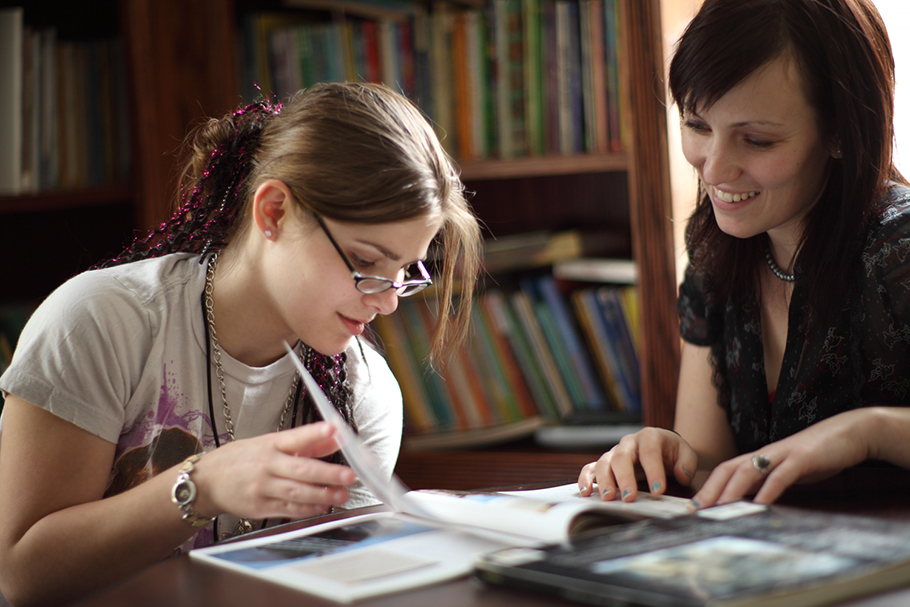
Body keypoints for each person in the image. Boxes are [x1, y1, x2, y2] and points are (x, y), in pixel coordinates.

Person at [0, 81, 481, 606]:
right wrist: (199, 486)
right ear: (272, 211)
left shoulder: (365, 393)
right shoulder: (100, 322)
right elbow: (22, 577)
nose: (388, 301)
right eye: (365, 262)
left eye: (405, 272)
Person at [579, 0, 910, 510]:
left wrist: (868, 432)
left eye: (755, 140)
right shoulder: (716, 249)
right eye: (697, 125)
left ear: (842, 131)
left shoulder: (899, 250)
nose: (713, 169)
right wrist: (667, 454)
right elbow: (712, 468)